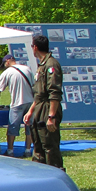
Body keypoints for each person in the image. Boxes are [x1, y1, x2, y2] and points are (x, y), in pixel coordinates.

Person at [23, 34, 65, 169]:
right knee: (38, 144)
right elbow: (38, 93)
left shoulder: (51, 64)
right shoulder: (42, 65)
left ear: (35, 47)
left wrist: (51, 116)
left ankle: (56, 176)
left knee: (49, 145)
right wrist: (30, 111)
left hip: (48, 108)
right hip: (39, 108)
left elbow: (54, 92)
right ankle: (38, 176)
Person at [0, 53, 35, 157]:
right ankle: (27, 150)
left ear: (8, 61)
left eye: (4, 63)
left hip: (17, 103)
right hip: (31, 101)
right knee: (29, 127)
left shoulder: (6, 73)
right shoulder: (27, 69)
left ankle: (10, 151)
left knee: (12, 127)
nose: (4, 65)